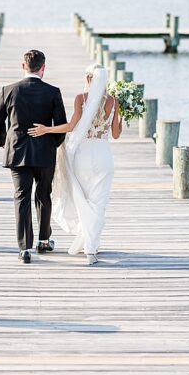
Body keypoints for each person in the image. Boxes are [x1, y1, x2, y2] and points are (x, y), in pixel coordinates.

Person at [29, 64, 121, 264]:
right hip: (103, 155)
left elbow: (71, 126)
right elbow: (115, 134)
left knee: (83, 199)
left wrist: (46, 129)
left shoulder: (81, 98)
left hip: (83, 155)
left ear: (88, 78)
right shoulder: (114, 102)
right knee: (99, 203)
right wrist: (121, 118)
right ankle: (91, 249)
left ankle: (89, 245)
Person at [0, 49, 68, 263]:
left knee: (21, 197)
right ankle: (43, 241)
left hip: (17, 152)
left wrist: (4, 142)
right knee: (44, 195)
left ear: (23, 66)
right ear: (43, 68)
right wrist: (51, 144)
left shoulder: (9, 90)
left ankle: (24, 249)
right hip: (45, 153)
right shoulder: (53, 92)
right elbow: (61, 126)